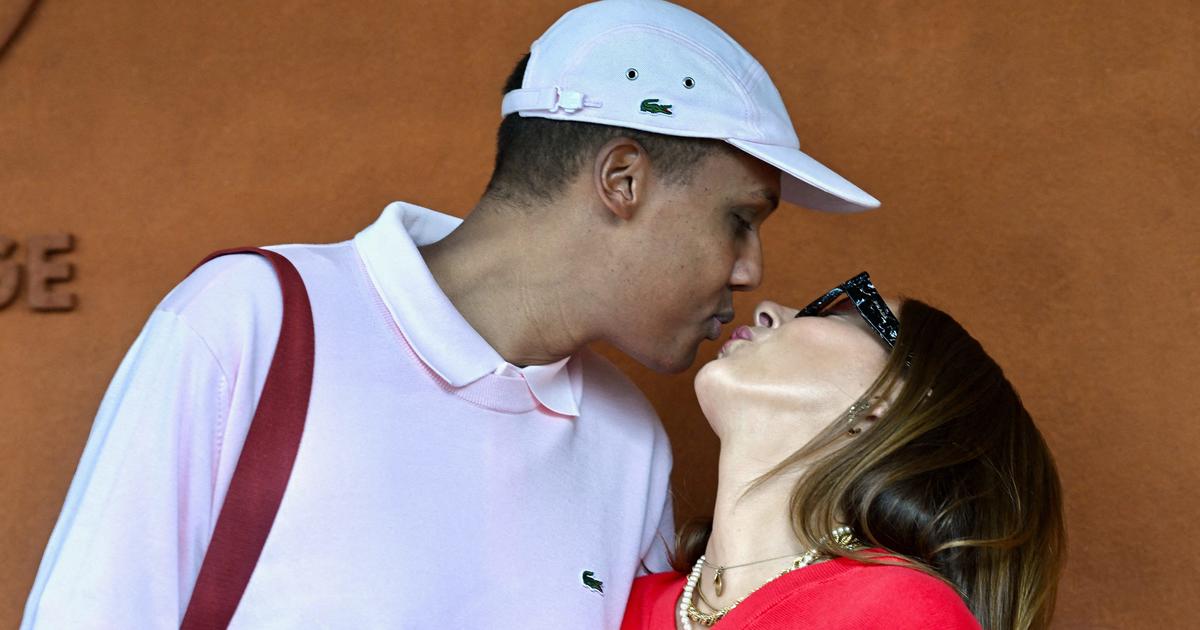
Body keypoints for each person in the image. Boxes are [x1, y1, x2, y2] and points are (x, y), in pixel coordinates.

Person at [21, 1, 880, 629]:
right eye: (740, 219)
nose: (751, 270)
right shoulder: (259, 320)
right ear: (622, 181)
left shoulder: (629, 442)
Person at [621, 273, 1065, 630]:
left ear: (888, 401)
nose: (767, 309)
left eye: (836, 313)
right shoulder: (619, 601)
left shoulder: (902, 613)